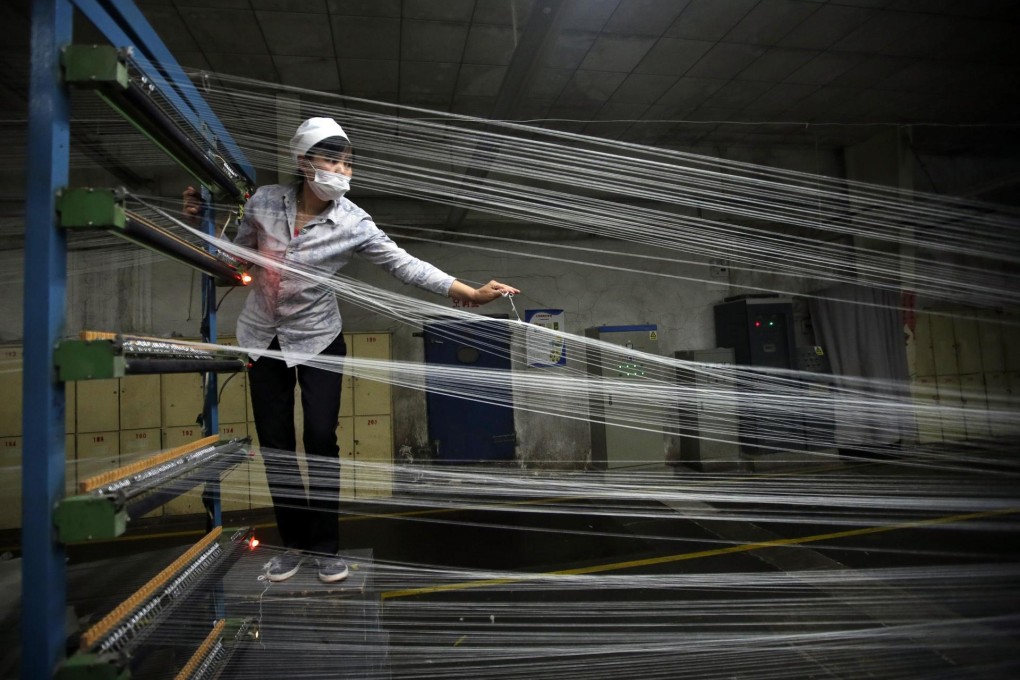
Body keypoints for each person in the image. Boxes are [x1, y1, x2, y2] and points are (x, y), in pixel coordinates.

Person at [184, 117, 518, 583]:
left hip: (319, 338)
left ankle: (325, 548)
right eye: (332, 161)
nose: (341, 171)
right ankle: (294, 545)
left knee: (321, 438)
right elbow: (236, 260)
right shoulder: (262, 203)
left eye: (347, 164)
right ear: (305, 164)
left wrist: (469, 291)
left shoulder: (353, 221)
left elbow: (406, 265)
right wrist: (198, 223)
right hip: (262, 338)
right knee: (277, 445)